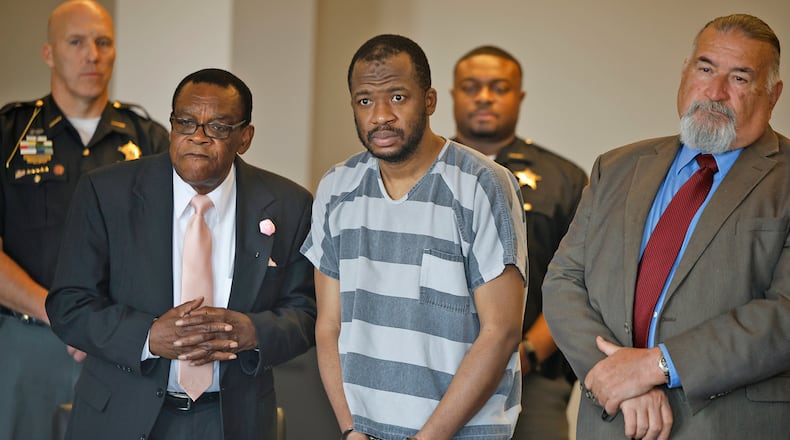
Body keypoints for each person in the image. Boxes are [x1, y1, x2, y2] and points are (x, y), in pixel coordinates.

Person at [543, 13, 789, 440]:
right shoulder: (616, 167)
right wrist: (618, 377)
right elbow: (564, 281)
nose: (714, 92)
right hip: (613, 420)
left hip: (728, 427)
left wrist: (656, 366)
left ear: (773, 95)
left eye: (740, 79)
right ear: (685, 72)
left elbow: (784, 314)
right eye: (706, 68)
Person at [45, 68, 317, 440]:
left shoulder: (289, 204)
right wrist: (147, 337)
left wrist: (254, 332)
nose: (198, 138)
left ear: (245, 137)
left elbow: (305, 311)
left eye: (218, 128)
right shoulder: (106, 192)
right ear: (171, 126)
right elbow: (68, 304)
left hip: (233, 419)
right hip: (120, 413)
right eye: (186, 123)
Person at [301, 34, 529, 440]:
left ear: (429, 101)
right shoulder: (336, 188)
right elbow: (328, 325)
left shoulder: (482, 184)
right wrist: (350, 429)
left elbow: (502, 330)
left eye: (398, 97)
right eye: (365, 101)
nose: (381, 116)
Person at [0, 1, 168, 438]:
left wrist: (106, 330)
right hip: (30, 340)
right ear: (49, 53)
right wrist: (62, 317)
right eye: (76, 42)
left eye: (103, 42)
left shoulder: (149, 139)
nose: (91, 54)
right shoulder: (9, 133)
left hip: (125, 346)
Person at [451, 45, 587, 440]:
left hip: (532, 378)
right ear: (451, 95)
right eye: (471, 87)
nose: (484, 96)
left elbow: (581, 282)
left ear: (519, 96)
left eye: (499, 87)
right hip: (433, 373)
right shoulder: (423, 170)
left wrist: (526, 353)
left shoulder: (564, 180)